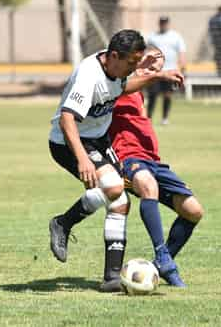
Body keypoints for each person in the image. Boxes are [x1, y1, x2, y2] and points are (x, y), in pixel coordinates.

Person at [48, 29, 184, 292]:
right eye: (131, 63)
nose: (135, 68)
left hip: (97, 139)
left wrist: (156, 75)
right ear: (113, 56)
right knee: (113, 188)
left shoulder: (115, 70)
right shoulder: (89, 76)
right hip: (68, 141)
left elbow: (123, 88)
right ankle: (63, 223)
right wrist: (83, 160)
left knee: (120, 201)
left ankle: (111, 276)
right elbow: (67, 120)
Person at [109, 47, 204, 287]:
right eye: (151, 67)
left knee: (193, 210)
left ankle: (163, 261)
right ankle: (163, 255)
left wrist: (152, 71)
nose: (155, 73)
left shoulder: (139, 95)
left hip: (153, 162)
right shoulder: (117, 86)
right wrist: (150, 71)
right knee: (148, 186)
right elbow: (122, 82)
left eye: (158, 70)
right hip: (129, 160)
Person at [147, 16, 187, 125]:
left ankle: (165, 118)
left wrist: (182, 69)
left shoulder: (175, 36)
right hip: (156, 71)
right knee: (153, 94)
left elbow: (182, 53)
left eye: (165, 23)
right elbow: (146, 51)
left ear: (168, 23)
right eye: (161, 22)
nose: (163, 24)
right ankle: (148, 118)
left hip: (170, 71)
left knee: (167, 95)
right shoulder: (152, 37)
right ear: (159, 23)